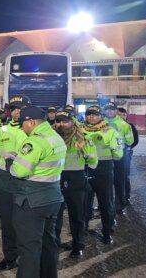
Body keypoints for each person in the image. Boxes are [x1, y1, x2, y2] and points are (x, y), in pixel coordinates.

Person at [9, 105, 66, 278]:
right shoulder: (55, 137)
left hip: (32, 200)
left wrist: (10, 162)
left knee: (29, 249)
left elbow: (19, 170)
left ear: (31, 122)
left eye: (22, 124)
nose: (20, 127)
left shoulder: (34, 141)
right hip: (53, 198)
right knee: (49, 244)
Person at [0, 95, 30, 271]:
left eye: (20, 108)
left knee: (25, 223)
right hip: (6, 181)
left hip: (27, 181)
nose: (16, 112)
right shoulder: (2, 129)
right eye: (13, 108)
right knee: (7, 222)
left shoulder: (33, 130)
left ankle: (27, 257)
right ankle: (10, 257)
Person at [53, 110, 97, 259]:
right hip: (56, 179)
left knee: (77, 216)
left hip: (76, 179)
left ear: (72, 121)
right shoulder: (51, 138)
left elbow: (93, 162)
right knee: (55, 216)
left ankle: (78, 246)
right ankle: (54, 243)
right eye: (58, 121)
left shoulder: (83, 137)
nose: (61, 124)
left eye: (65, 121)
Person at [82, 105, 122, 244]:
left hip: (104, 171)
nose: (91, 117)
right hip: (86, 169)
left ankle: (107, 232)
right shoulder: (79, 130)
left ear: (101, 116)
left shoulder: (110, 131)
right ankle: (83, 229)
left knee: (106, 203)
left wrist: (110, 146)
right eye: (88, 114)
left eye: (94, 114)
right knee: (85, 203)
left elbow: (118, 154)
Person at [103, 102, 133, 216]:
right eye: (107, 109)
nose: (109, 111)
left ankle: (120, 204)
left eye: (112, 109)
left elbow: (130, 141)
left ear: (116, 111)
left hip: (119, 157)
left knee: (119, 181)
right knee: (105, 183)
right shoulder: (100, 123)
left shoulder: (124, 124)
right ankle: (107, 205)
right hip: (104, 157)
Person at [117, 107, 138, 204]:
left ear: (126, 116)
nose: (121, 116)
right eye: (119, 114)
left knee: (125, 177)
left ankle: (126, 197)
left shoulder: (130, 126)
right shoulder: (111, 125)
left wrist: (127, 148)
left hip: (125, 155)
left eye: (124, 115)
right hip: (113, 156)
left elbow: (135, 141)